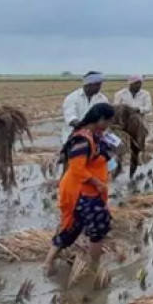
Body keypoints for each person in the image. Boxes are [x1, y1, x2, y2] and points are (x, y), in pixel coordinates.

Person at [43, 103, 117, 274]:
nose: (109, 125)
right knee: (98, 227)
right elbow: (77, 168)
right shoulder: (82, 139)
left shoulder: (95, 135)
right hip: (82, 192)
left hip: (89, 191)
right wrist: (96, 182)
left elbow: (103, 155)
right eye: (108, 121)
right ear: (99, 119)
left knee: (72, 228)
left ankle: (48, 263)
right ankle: (94, 266)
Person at [113, 74, 152, 178]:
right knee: (117, 149)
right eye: (136, 83)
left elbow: (148, 108)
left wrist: (137, 109)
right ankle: (117, 169)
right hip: (122, 125)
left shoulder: (145, 94)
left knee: (136, 149)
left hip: (138, 124)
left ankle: (131, 174)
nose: (139, 85)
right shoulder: (120, 94)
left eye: (140, 83)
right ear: (130, 84)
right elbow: (116, 108)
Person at [62, 72, 109, 143]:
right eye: (97, 84)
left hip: (96, 138)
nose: (99, 87)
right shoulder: (72, 98)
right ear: (88, 84)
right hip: (73, 137)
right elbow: (70, 118)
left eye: (100, 84)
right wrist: (84, 127)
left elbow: (107, 117)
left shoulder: (103, 99)